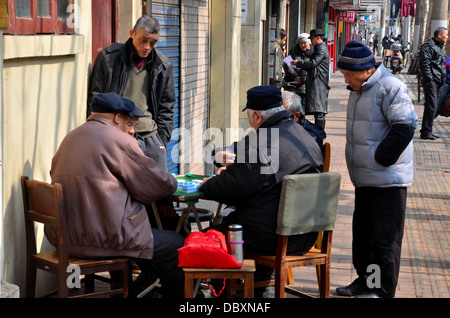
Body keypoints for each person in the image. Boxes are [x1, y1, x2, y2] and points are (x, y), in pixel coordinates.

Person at [46, 93, 185, 298]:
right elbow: (155, 185)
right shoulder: (119, 140)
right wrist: (173, 180)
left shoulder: (70, 137)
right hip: (106, 241)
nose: (130, 130)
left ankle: (127, 291)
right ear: (117, 118)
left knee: (133, 228)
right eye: (129, 123)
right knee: (176, 244)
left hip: (65, 239)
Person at [200, 86, 324, 297]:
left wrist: (207, 185)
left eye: (250, 116)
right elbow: (256, 177)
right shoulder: (305, 137)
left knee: (207, 239)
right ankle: (253, 290)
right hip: (305, 236)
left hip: (268, 238)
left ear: (256, 116)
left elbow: (234, 187)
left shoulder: (263, 144)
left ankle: (221, 295)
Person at [336, 41, 418, 298]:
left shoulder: (391, 87)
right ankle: (367, 282)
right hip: (366, 179)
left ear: (366, 69)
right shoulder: (359, 89)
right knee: (364, 239)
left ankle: (383, 291)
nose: (346, 80)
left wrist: (381, 158)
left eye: (349, 74)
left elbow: (405, 125)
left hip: (388, 180)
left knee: (384, 240)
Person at [87, 15, 175, 171]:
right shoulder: (108, 59)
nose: (148, 47)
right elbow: (95, 98)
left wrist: (161, 141)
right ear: (132, 33)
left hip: (150, 138)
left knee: (160, 189)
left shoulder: (163, 65)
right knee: (119, 189)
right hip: (116, 136)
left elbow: (166, 107)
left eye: (153, 43)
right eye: (144, 40)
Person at [291, 29, 330, 130]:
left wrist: (297, 63)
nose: (310, 42)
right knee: (316, 110)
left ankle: (319, 134)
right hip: (313, 82)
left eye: (311, 39)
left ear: (318, 38)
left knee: (319, 110)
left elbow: (313, 63)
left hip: (318, 83)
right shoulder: (318, 48)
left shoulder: (320, 49)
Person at [419, 27, 448, 140]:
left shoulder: (441, 48)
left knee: (434, 107)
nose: (447, 37)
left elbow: (441, 65)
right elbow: (424, 65)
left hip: (440, 81)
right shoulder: (428, 47)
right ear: (439, 35)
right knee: (431, 106)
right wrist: (429, 80)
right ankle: (425, 132)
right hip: (432, 82)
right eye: (446, 35)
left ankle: (427, 130)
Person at [284, 33, 314, 123]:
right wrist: (295, 76)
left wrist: (302, 77)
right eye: (301, 43)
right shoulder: (293, 51)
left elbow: (311, 66)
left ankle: (301, 124)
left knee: (302, 106)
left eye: (305, 43)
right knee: (290, 106)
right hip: (292, 83)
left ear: (309, 43)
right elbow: (287, 65)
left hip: (305, 85)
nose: (303, 45)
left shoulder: (313, 53)